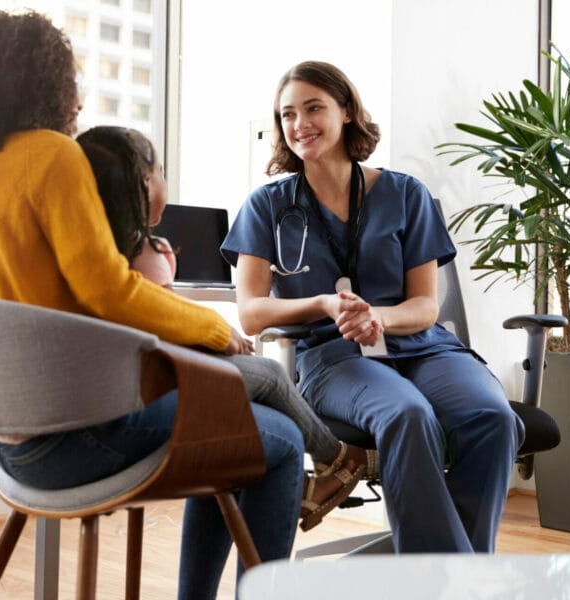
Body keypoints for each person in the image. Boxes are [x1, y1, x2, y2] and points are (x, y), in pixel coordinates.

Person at [0, 12, 290, 598]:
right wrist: (211, 327)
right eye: (69, 80)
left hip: (13, 450)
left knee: (233, 424)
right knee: (277, 442)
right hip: (80, 436)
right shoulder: (52, 155)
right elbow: (106, 289)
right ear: (40, 82)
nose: (78, 98)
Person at [220, 60, 526, 553]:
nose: (300, 124)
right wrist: (321, 303)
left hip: (422, 347)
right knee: (407, 415)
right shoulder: (267, 205)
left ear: (346, 111)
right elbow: (252, 312)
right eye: (287, 114)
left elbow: (426, 305)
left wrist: (379, 317)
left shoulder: (406, 194)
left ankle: (451, 574)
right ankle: (450, 581)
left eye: (314, 107)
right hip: (333, 358)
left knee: (493, 416)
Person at [75, 125, 379, 531]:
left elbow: (159, 320)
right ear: (145, 182)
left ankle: (331, 463)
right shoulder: (147, 254)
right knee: (269, 375)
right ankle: (339, 458)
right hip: (153, 384)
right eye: (162, 171)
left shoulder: (83, 253)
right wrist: (217, 334)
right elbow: (163, 323)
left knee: (253, 398)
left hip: (122, 385)